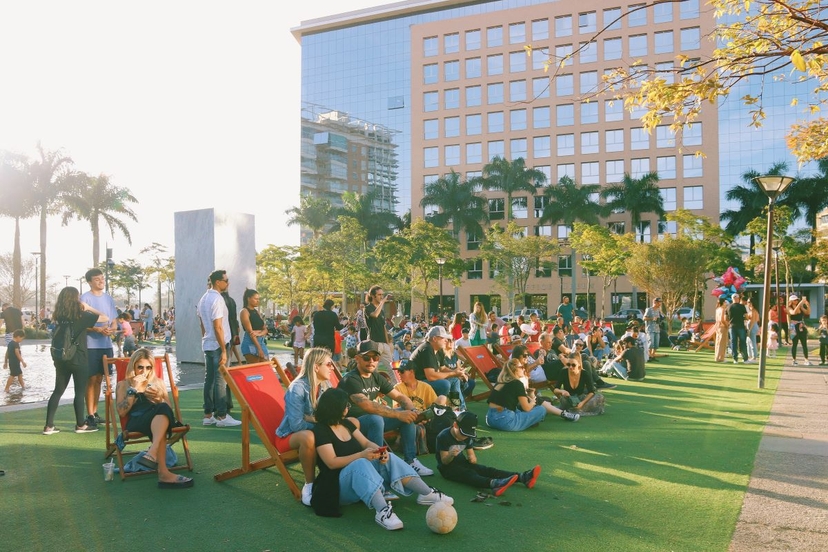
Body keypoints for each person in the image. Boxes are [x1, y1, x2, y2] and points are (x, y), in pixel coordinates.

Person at [310, 388, 452, 527]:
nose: (347, 408)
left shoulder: (346, 424)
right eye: (345, 405)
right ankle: (383, 511)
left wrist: (380, 452)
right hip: (335, 487)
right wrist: (361, 455)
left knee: (389, 456)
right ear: (334, 408)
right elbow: (331, 462)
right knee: (360, 462)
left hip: (357, 481)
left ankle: (426, 493)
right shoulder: (321, 430)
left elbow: (365, 443)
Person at [337, 341, 432, 477]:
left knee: (407, 414)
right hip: (353, 426)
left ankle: (411, 461)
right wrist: (398, 415)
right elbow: (367, 406)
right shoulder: (351, 379)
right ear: (357, 358)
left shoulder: (376, 376)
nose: (371, 361)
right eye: (366, 357)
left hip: (374, 421)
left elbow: (400, 397)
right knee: (376, 419)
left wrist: (413, 411)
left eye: (375, 358)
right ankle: (378, 469)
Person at [114, 348, 193, 487]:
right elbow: (121, 412)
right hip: (138, 421)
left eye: (148, 367)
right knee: (161, 419)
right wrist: (134, 390)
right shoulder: (123, 384)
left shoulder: (158, 383)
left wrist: (157, 398)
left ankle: (153, 454)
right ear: (133, 366)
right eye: (140, 367)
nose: (144, 372)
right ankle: (162, 469)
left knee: (162, 409)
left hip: (157, 419)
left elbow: (169, 410)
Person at [43, 287, 108, 434]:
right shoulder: (81, 316)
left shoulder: (58, 316)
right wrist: (88, 307)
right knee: (79, 392)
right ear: (76, 299)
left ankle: (48, 426)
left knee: (58, 390)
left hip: (61, 358)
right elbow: (105, 317)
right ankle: (80, 425)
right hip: (78, 357)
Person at [275, 347, 335, 506]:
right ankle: (309, 484)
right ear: (316, 366)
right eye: (328, 364)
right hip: (289, 436)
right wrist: (318, 421)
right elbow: (296, 425)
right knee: (309, 437)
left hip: (314, 432)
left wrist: (314, 419)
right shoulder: (298, 388)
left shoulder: (325, 385)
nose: (332, 368)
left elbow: (333, 416)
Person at [435, 411, 539, 496]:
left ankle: (523, 477)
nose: (465, 437)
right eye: (463, 434)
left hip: (462, 463)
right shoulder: (443, 436)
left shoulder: (467, 436)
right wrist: (451, 455)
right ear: (455, 425)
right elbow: (444, 462)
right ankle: (494, 484)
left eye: (468, 435)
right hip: (447, 469)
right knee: (469, 474)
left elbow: (472, 456)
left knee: (486, 470)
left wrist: (472, 459)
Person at [196, 270, 241, 428]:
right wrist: (223, 349)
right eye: (226, 280)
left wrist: (207, 338)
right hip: (217, 344)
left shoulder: (203, 299)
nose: (227, 283)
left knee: (209, 379)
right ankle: (222, 416)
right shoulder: (217, 299)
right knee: (220, 380)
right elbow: (218, 326)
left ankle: (208, 415)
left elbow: (202, 324)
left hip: (208, 343)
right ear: (217, 282)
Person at [486, 358, 579, 432]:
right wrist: (533, 401)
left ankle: (531, 420)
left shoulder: (500, 382)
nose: (524, 369)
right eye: (521, 367)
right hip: (505, 421)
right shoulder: (517, 383)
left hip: (490, 419)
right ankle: (534, 420)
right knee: (541, 409)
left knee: (519, 410)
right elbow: (527, 408)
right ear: (515, 370)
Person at [80, 268, 119, 428]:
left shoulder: (108, 299)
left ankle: (95, 412)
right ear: (90, 282)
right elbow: (81, 323)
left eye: (102, 278)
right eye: (97, 279)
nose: (101, 281)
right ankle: (89, 414)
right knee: (91, 379)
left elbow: (114, 320)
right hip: (90, 346)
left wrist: (112, 329)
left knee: (101, 379)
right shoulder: (85, 298)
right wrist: (96, 329)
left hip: (106, 345)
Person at [408, 326, 472, 411]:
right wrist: (454, 373)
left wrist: (457, 372)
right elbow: (430, 376)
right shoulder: (427, 349)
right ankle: (441, 409)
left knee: (455, 380)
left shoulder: (438, 350)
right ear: (434, 338)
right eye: (443, 338)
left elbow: (442, 368)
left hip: (425, 380)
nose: (446, 340)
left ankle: (457, 408)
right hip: (417, 382)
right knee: (445, 384)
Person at [365, 286, 394, 370]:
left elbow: (383, 327)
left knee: (392, 368)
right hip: (374, 342)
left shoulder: (381, 311)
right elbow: (374, 315)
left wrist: (388, 343)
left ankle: (396, 383)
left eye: (382, 294)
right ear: (373, 296)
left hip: (384, 343)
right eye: (379, 294)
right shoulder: (368, 308)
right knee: (373, 370)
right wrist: (383, 302)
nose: (382, 297)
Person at [240, 288, 269, 363]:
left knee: (266, 367)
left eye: (258, 299)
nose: (258, 301)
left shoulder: (257, 312)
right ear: (249, 299)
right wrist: (259, 349)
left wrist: (259, 333)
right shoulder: (244, 311)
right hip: (250, 343)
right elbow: (251, 333)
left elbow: (265, 329)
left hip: (261, 342)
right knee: (255, 370)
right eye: (255, 299)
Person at [726, 294, 751, 364]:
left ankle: (735, 359)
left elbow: (725, 318)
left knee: (733, 343)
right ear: (738, 298)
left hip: (732, 327)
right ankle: (745, 358)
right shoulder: (742, 306)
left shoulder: (728, 307)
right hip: (740, 326)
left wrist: (730, 321)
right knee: (742, 342)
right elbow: (746, 316)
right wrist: (743, 318)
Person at [788, 294, 811, 366]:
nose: (796, 301)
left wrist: (807, 305)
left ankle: (806, 360)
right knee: (794, 344)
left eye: (797, 300)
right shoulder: (789, 307)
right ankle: (794, 360)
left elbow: (808, 312)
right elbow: (794, 312)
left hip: (801, 326)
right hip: (794, 327)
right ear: (791, 301)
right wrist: (800, 303)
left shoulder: (800, 307)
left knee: (804, 344)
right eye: (795, 300)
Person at [714, 297, 730, 363]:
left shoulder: (717, 309)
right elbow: (722, 319)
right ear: (723, 302)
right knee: (722, 343)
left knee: (718, 342)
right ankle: (721, 358)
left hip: (717, 326)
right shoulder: (723, 309)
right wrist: (726, 325)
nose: (726, 303)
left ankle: (717, 357)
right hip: (722, 326)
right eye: (725, 302)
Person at [745, 296, 760, 361]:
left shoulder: (754, 311)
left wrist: (749, 329)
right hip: (750, 326)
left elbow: (753, 321)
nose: (747, 303)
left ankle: (754, 357)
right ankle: (750, 355)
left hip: (752, 327)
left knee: (752, 342)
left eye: (749, 302)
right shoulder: (750, 310)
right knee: (748, 342)